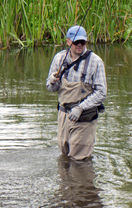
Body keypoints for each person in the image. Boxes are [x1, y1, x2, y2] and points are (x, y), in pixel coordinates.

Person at [46, 25, 107, 160]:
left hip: (84, 116)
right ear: (68, 42)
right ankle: (66, 182)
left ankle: (82, 180)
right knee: (65, 155)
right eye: (76, 42)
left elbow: (102, 92)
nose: (79, 45)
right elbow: (51, 88)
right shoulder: (59, 58)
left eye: (83, 42)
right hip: (63, 115)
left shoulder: (96, 62)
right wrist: (52, 81)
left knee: (79, 159)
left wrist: (80, 108)